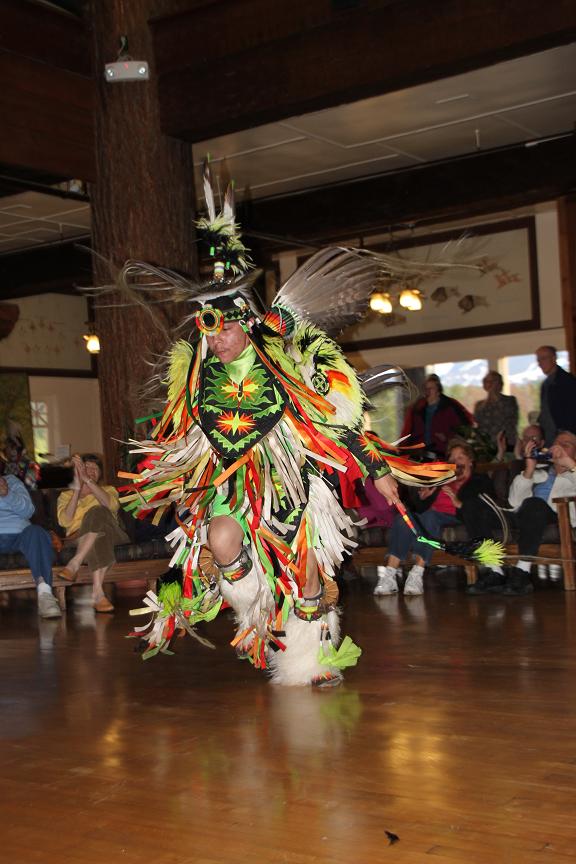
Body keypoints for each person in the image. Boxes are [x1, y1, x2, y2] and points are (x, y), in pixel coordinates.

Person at [115, 166, 455, 687]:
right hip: (230, 483)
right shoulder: (195, 373)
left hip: (291, 481)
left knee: (307, 574)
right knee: (222, 538)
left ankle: (313, 658)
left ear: (248, 323)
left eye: (227, 326)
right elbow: (184, 433)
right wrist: (179, 475)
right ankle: (258, 613)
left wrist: (376, 468)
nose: (218, 338)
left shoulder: (284, 364)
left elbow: (332, 422)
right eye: (209, 327)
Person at [374, 440, 496, 596]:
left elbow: (485, 507)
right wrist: (425, 496)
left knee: (429, 517)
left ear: (470, 461)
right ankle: (390, 575)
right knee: (404, 517)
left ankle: (416, 574)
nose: (455, 462)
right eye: (452, 458)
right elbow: (419, 508)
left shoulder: (480, 480)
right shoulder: (442, 479)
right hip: (431, 516)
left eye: (460, 458)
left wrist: (459, 503)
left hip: (457, 517)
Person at [505, 430, 576, 594]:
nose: (560, 447)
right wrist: (529, 469)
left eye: (567, 444)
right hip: (528, 516)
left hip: (559, 518)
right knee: (529, 506)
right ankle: (494, 573)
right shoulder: (539, 474)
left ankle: (522, 569)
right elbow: (514, 502)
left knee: (534, 504)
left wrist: (570, 464)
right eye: (557, 444)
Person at [57, 453, 129, 613]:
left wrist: (88, 481)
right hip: (78, 538)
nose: (90, 471)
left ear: (100, 474)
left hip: (115, 534)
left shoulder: (108, 490)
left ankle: (75, 562)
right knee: (98, 536)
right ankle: (97, 593)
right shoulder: (65, 496)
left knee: (97, 511)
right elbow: (65, 522)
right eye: (86, 467)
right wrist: (76, 490)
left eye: (94, 468)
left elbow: (111, 506)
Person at [0, 458, 61, 618]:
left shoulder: (11, 481)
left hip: (21, 534)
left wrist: (7, 494)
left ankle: (45, 594)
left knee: (37, 532)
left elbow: (28, 511)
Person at [401, 373, 474, 457]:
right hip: (420, 453)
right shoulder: (417, 408)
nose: (428, 391)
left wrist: (447, 438)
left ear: (438, 390)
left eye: (431, 388)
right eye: (426, 388)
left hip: (443, 452)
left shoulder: (450, 406)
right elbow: (409, 431)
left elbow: (464, 429)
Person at [536, 345, 576, 445]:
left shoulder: (567, 381)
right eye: (538, 360)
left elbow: (572, 412)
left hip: (563, 439)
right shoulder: (546, 384)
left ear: (554, 359)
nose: (540, 363)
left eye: (543, 358)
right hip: (548, 437)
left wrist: (566, 435)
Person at [474, 370, 518, 451]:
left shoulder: (510, 401)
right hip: (486, 447)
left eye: (493, 381)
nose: (490, 384)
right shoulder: (479, 405)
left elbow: (510, 421)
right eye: (487, 381)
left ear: (500, 384)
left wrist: (495, 396)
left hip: (506, 444)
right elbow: (478, 426)